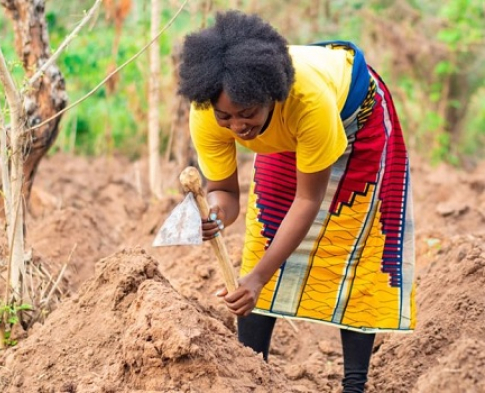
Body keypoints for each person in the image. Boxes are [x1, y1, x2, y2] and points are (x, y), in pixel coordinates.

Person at [177, 10, 416, 393]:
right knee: (266, 230)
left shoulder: (306, 101)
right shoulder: (208, 112)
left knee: (357, 244)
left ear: (269, 95)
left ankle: (355, 385)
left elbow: (308, 199)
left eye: (246, 114)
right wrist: (216, 215)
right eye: (227, 117)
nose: (237, 127)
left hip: (359, 118)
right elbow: (225, 193)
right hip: (285, 128)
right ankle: (250, 374)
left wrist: (255, 279)